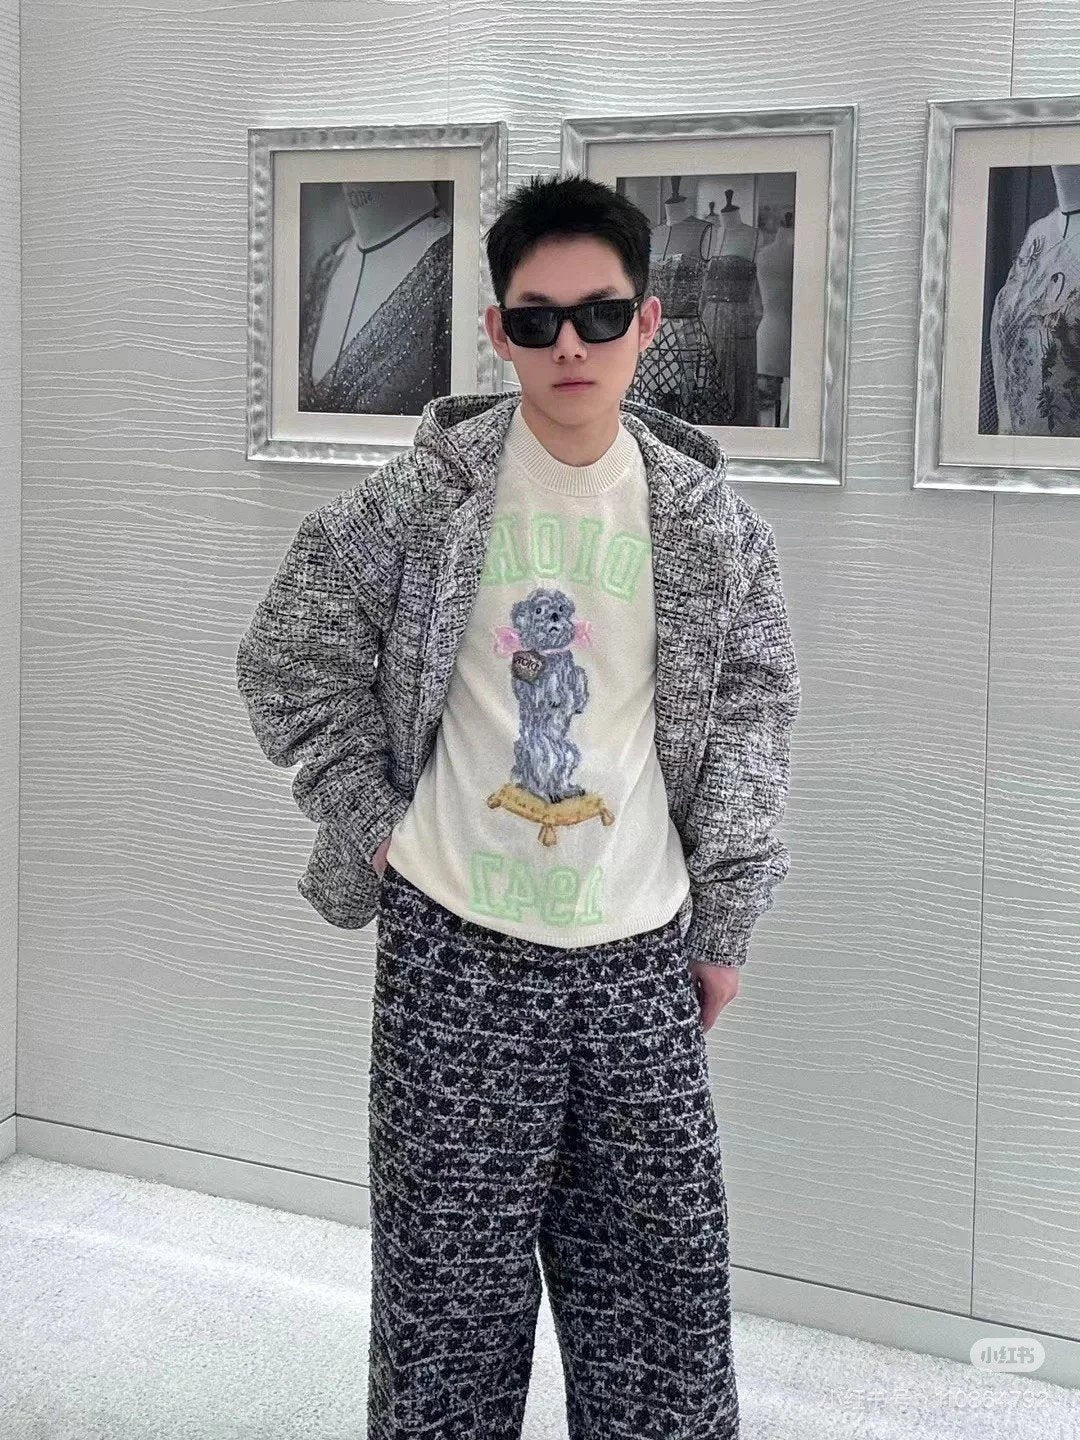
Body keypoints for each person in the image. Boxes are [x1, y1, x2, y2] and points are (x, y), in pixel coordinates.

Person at [236, 171, 801, 1439]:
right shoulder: (423, 502)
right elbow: (287, 656)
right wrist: (371, 819)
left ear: (647, 322)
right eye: (538, 321)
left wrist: (725, 923)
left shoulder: (711, 526)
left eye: (599, 317)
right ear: (497, 330)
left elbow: (753, 715)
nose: (570, 348)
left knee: (664, 1336)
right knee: (446, 1330)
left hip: (639, 956)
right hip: (455, 954)